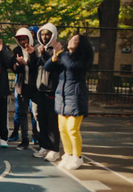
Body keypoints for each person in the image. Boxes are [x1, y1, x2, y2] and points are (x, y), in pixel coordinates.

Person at [44, 34, 93, 170]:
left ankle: (77, 157)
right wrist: (54, 55)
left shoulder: (82, 59)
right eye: (71, 38)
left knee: (72, 129)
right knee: (63, 129)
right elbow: (47, 67)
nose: (72, 41)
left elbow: (72, 66)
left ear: (81, 44)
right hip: (62, 97)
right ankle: (68, 154)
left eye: (76, 40)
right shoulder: (64, 57)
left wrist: (60, 53)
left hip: (76, 97)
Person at [32, 23, 61, 161]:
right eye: (42, 34)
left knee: (52, 123)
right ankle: (44, 147)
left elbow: (51, 66)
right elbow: (35, 67)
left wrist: (44, 54)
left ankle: (54, 149)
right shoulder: (38, 48)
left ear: (53, 35)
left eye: (47, 34)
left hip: (52, 90)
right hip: (40, 89)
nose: (44, 37)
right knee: (41, 120)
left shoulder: (57, 49)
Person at [11, 27, 38, 150]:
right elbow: (14, 69)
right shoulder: (16, 50)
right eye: (20, 39)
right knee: (22, 114)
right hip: (22, 87)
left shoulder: (36, 49)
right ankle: (24, 140)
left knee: (36, 114)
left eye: (25, 39)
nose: (23, 42)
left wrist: (27, 61)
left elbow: (37, 66)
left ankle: (37, 138)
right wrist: (18, 64)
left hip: (35, 87)